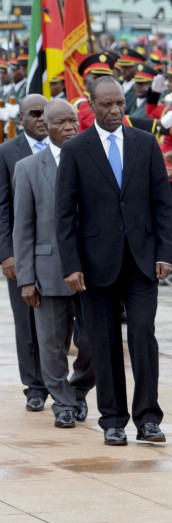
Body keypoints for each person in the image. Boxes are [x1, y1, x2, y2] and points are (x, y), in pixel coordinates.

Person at [55, 77, 172, 446]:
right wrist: (71, 265)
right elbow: (64, 215)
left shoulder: (145, 142)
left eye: (119, 104)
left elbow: (163, 204)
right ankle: (112, 419)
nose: (114, 111)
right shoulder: (77, 150)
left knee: (142, 336)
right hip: (95, 265)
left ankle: (148, 418)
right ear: (91, 105)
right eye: (106, 105)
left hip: (142, 262)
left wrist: (165, 253)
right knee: (103, 343)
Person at [12, 98, 94, 428]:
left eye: (73, 120)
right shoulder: (29, 169)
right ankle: (62, 402)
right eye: (60, 122)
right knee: (52, 342)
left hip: (92, 271)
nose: (70, 127)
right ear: (46, 127)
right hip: (48, 271)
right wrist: (26, 280)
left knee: (91, 341)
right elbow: (24, 228)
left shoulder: (94, 161)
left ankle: (79, 391)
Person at [0, 94, 49, 411]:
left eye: (47, 113)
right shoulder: (7, 152)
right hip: (23, 250)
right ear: (21, 120)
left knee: (70, 321)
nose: (43, 119)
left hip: (61, 250)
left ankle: (68, 382)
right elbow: (2, 208)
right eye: (35, 114)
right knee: (26, 321)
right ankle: (35, 385)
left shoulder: (68, 147)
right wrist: (7, 254)